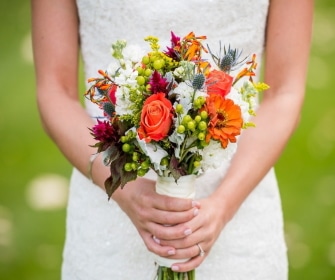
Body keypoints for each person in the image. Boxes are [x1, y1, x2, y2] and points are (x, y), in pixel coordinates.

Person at [31, 0, 313, 279]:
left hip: (240, 211)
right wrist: (127, 192)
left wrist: (224, 205)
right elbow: (55, 90)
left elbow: (284, 93)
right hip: (108, 208)